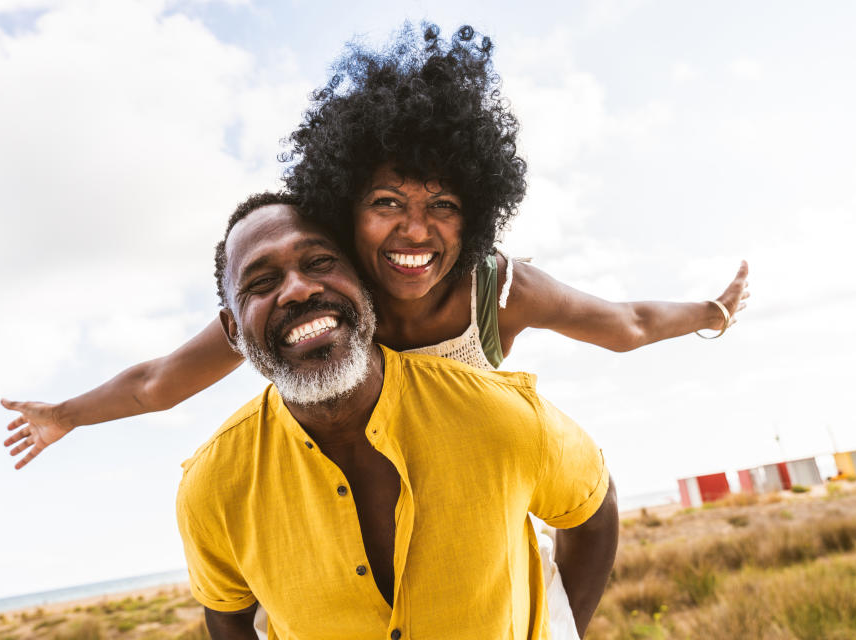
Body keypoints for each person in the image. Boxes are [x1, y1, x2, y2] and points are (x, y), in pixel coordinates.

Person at [1, 23, 747, 639]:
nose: (414, 230)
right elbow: (158, 382)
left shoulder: (494, 287)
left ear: (476, 212)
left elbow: (626, 324)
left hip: (471, 510)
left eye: (444, 204)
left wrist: (709, 314)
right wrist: (64, 414)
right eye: (388, 201)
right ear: (344, 207)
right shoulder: (314, 302)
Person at [178, 196, 618, 639]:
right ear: (234, 329)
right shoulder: (212, 486)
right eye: (261, 281)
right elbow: (226, 614)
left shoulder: (502, 416)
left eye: (320, 261)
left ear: (365, 283)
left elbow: (595, 509)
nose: (297, 289)